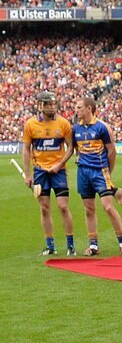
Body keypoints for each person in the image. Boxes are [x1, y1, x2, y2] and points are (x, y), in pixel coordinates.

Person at [69, 95, 122, 257]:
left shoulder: (102, 127)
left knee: (108, 207)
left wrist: (108, 172)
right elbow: (75, 148)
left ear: (89, 108)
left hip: (99, 172)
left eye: (79, 107)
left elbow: (112, 151)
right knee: (88, 209)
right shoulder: (76, 129)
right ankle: (93, 245)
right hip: (83, 173)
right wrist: (79, 157)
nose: (77, 110)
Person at [21, 91, 76, 257]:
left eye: (53, 104)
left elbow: (70, 148)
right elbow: (26, 148)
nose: (52, 107)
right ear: (40, 106)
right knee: (44, 208)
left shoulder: (64, 124)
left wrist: (60, 164)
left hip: (58, 172)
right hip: (40, 172)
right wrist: (27, 173)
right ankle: (50, 246)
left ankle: (71, 246)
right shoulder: (30, 124)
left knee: (63, 206)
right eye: (47, 104)